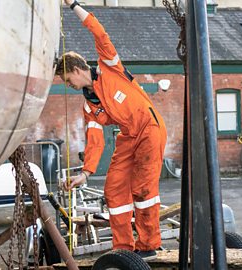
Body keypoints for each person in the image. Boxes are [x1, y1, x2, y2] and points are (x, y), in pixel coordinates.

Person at [57, 0, 167, 260]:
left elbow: (98, 31)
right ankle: (123, 249)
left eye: (67, 80)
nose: (68, 85)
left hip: (149, 128)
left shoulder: (109, 66)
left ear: (76, 70)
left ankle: (149, 244)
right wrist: (85, 173)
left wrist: (72, 4)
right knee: (115, 188)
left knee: (142, 187)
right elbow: (95, 139)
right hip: (128, 136)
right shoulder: (89, 105)